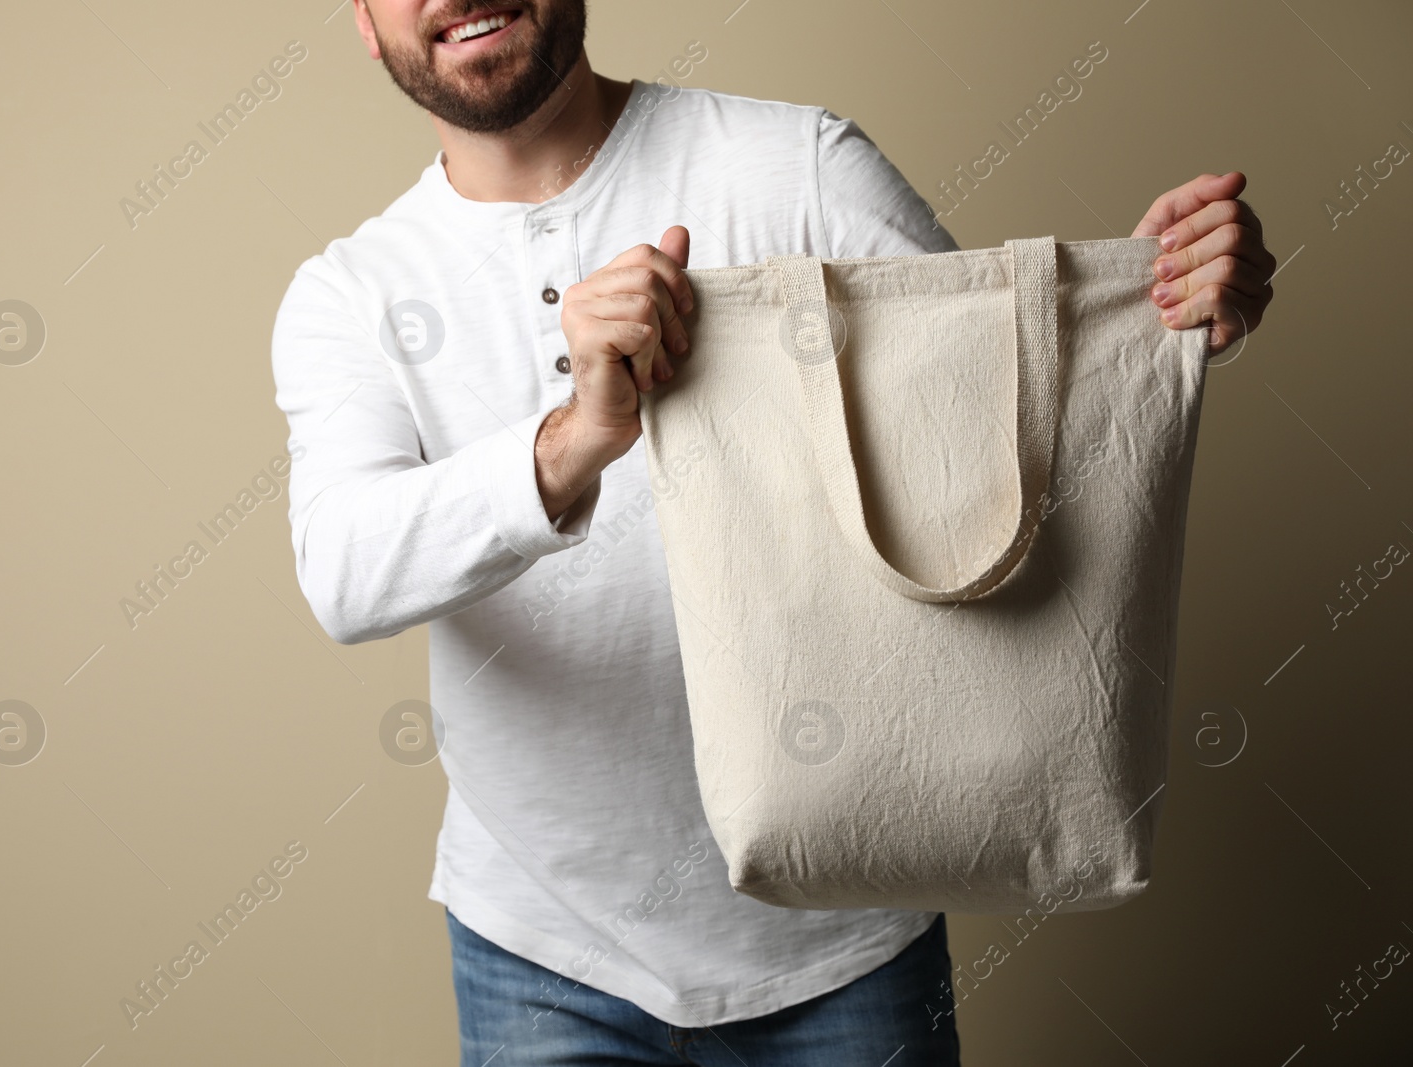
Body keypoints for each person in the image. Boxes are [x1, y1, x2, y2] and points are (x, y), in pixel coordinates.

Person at [269, 2, 1276, 1062]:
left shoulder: (798, 166)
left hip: (846, 934)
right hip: (542, 952)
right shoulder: (350, 293)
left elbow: (980, 447)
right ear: (366, 23)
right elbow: (344, 570)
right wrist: (574, 438)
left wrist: (1152, 312)